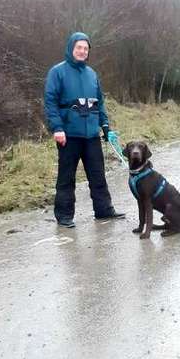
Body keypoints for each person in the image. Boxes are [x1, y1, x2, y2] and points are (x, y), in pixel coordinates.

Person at [44, 32, 125, 228]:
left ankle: (103, 210)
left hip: (91, 135)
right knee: (66, 178)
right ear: (71, 48)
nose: (82, 51)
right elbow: (50, 102)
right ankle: (64, 216)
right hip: (68, 135)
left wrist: (105, 128)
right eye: (79, 48)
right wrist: (57, 127)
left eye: (86, 49)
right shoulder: (57, 72)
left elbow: (100, 103)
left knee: (98, 175)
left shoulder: (92, 74)